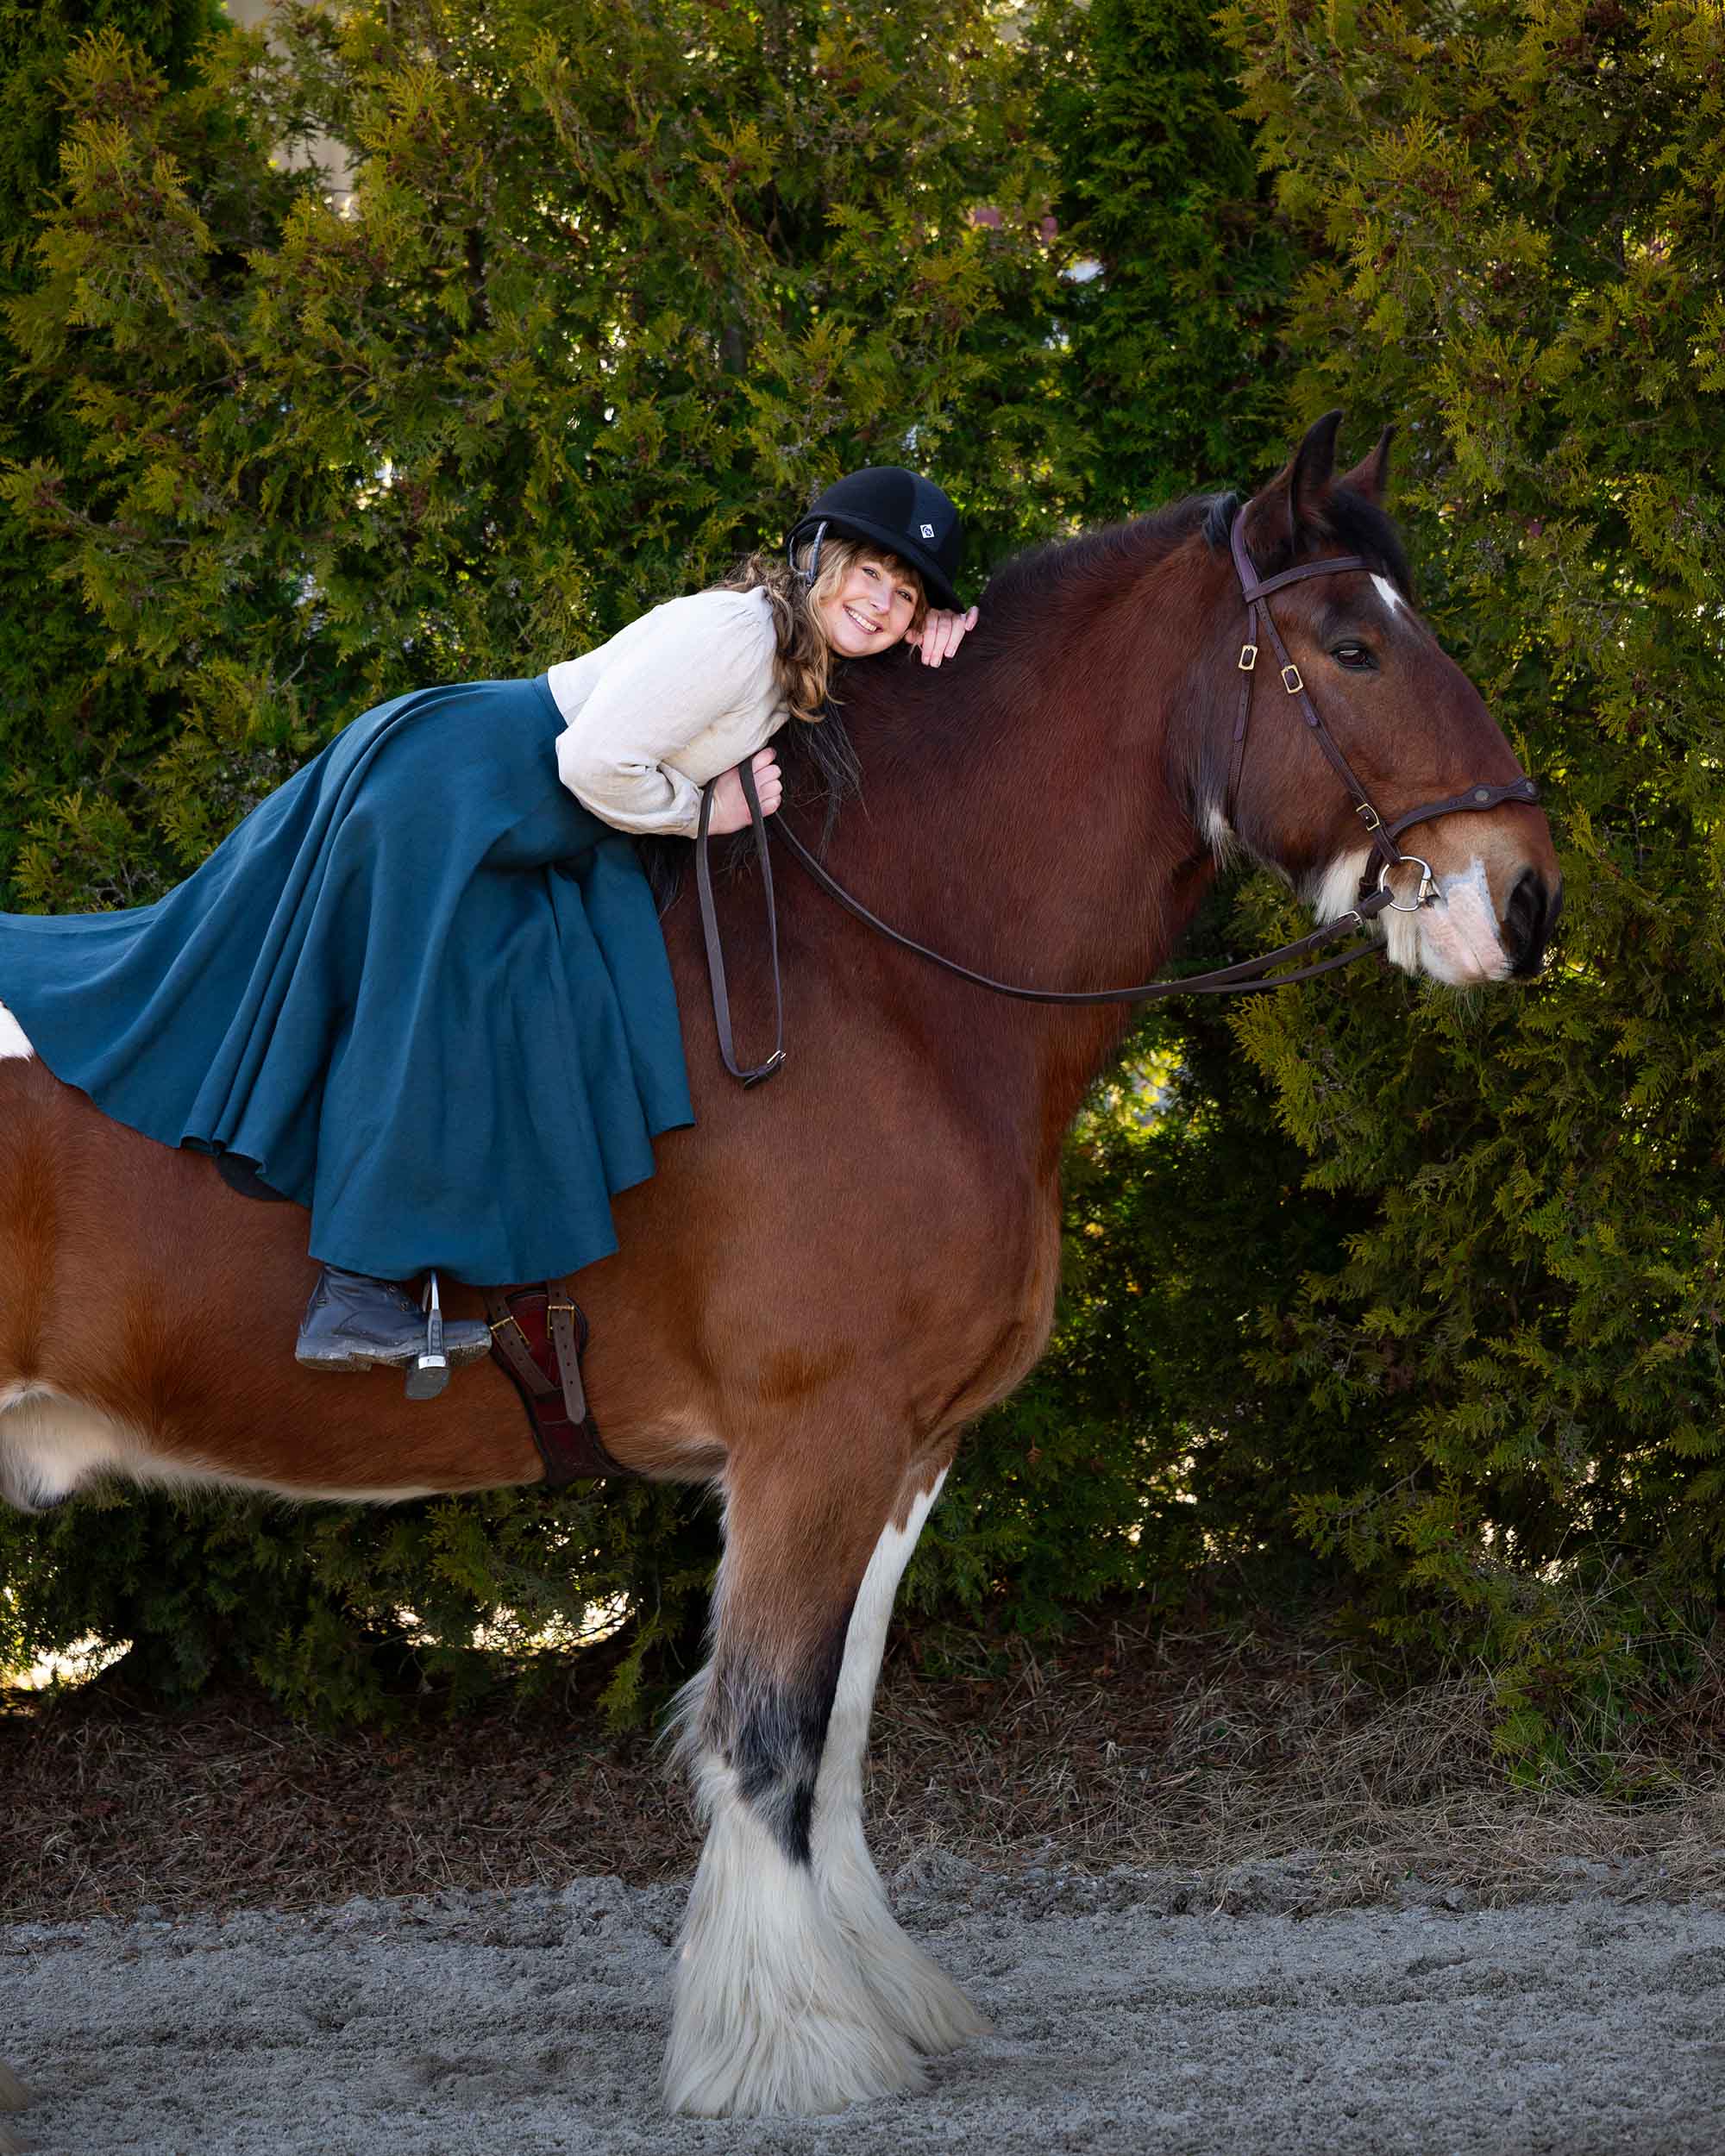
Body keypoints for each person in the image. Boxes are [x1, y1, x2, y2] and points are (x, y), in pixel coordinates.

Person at [0, 466, 975, 1386]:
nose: (881, 601)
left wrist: (943, 637)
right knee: (443, 999)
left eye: (904, 593)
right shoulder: (740, 637)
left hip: (511, 801)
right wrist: (703, 813)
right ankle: (357, 1293)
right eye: (868, 572)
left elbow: (851, 688)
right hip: (475, 784)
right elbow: (594, 762)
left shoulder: (792, 651)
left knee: (503, 986)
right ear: (814, 559)